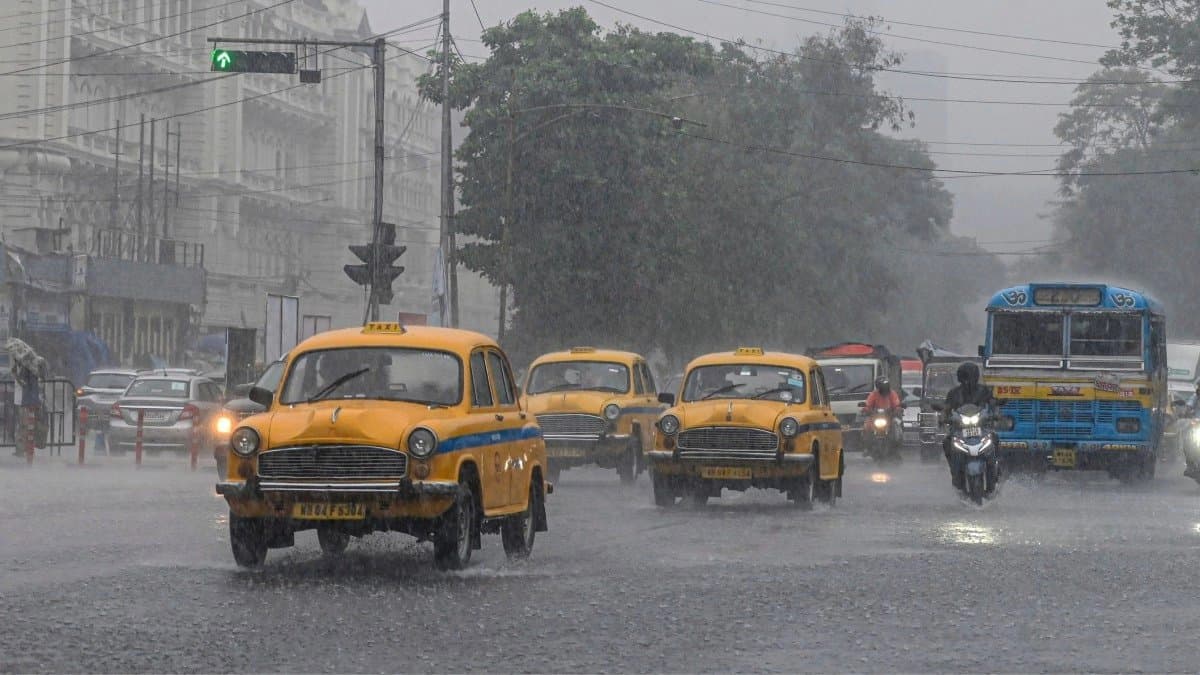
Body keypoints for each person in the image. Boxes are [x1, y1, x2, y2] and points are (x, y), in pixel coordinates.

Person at [941, 362, 995, 488]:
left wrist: (996, 414)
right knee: (946, 442)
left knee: (995, 439)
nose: (967, 381)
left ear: (976, 377)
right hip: (960, 429)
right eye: (965, 377)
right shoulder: (954, 393)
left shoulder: (984, 391)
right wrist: (943, 418)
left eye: (970, 377)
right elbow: (946, 408)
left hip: (981, 428)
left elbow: (993, 403)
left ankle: (994, 469)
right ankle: (954, 470)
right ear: (960, 378)